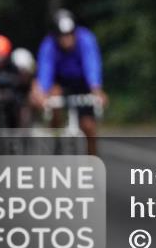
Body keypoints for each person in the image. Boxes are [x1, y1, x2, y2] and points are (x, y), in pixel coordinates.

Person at [29, 9, 108, 155]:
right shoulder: (49, 45)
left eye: (70, 35)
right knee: (53, 99)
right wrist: (41, 92)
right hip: (61, 82)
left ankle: (92, 162)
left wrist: (96, 89)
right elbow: (46, 69)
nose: (66, 40)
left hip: (83, 83)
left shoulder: (86, 39)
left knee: (89, 127)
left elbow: (92, 64)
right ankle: (56, 141)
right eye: (62, 36)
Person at [0, 34, 29, 129]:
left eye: (1, 56)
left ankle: (23, 134)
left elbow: (22, 80)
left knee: (22, 107)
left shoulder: (14, 64)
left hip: (13, 99)